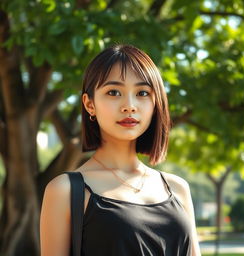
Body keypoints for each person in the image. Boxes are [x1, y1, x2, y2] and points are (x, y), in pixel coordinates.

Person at [40, 44, 201, 256]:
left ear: (155, 104)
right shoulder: (66, 191)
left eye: (142, 92)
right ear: (90, 104)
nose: (129, 105)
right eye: (114, 92)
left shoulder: (177, 188)